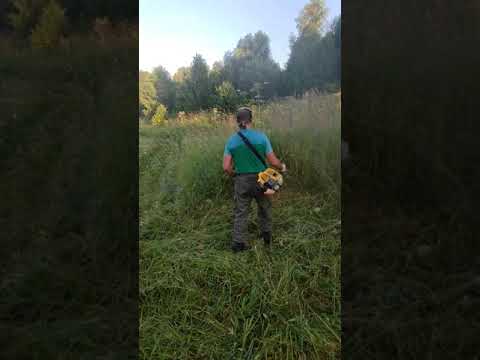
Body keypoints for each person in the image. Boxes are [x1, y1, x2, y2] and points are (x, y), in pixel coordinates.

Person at [223, 107, 286, 252]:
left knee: (241, 212)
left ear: (237, 121)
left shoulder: (231, 141)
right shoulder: (262, 137)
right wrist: (282, 167)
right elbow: (273, 162)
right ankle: (266, 237)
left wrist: (235, 175)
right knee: (264, 208)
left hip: (241, 180)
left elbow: (226, 167)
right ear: (251, 120)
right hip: (262, 180)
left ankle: (238, 244)